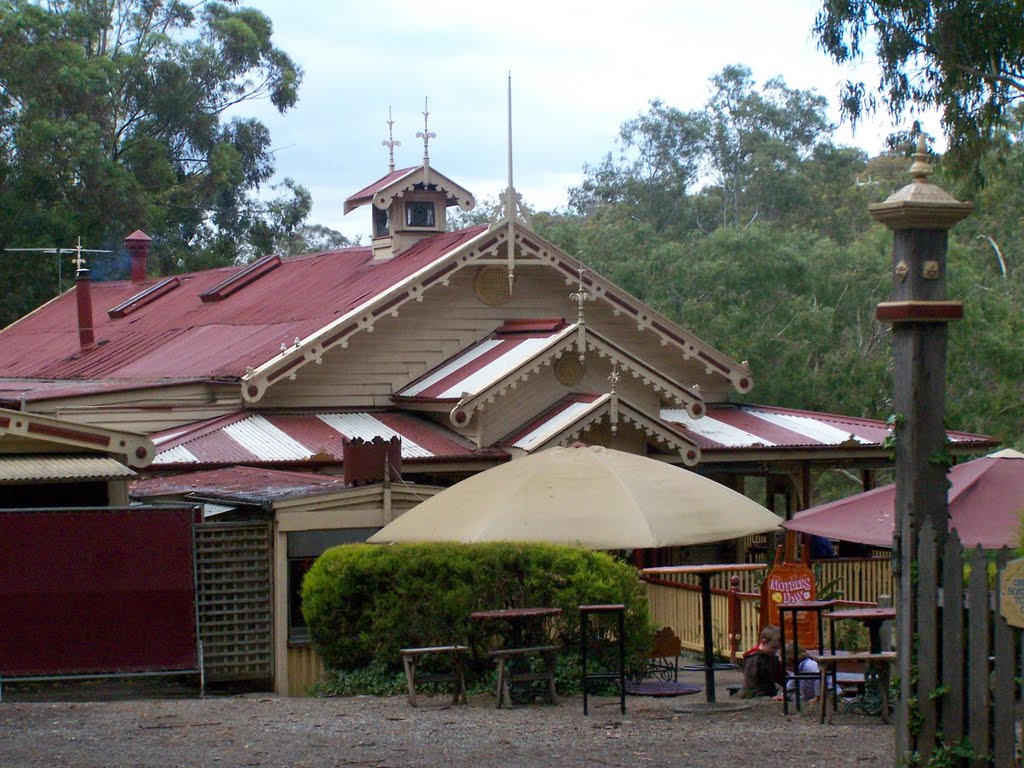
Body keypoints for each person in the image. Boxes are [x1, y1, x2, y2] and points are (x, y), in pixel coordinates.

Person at [776, 642, 839, 706]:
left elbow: (819, 678)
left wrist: (818, 697)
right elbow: (792, 682)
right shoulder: (797, 669)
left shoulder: (810, 665)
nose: (786, 668)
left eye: (787, 665)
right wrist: (783, 695)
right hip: (810, 696)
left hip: (829, 693)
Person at [740, 624, 783, 697]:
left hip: (769, 692)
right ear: (763, 642)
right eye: (774, 647)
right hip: (755, 695)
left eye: (778, 648)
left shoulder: (771, 657)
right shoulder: (754, 659)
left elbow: (779, 676)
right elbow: (751, 682)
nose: (776, 651)